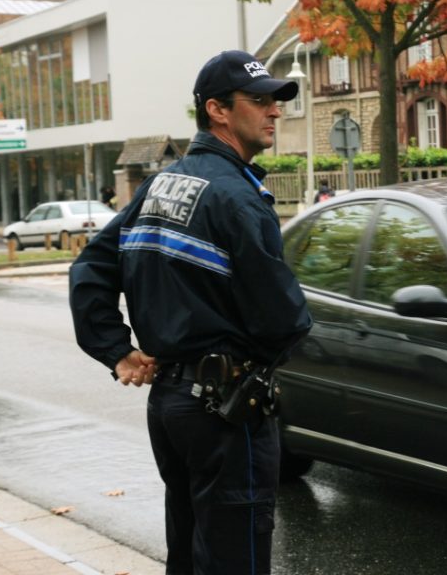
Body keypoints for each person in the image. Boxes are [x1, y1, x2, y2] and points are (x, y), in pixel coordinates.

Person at [69, 49, 311, 575]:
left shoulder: (160, 185)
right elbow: (285, 320)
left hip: (173, 406)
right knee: (235, 558)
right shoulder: (237, 199)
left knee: (190, 552)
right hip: (227, 410)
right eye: (259, 101)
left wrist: (118, 350)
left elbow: (90, 267)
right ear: (217, 110)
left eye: (277, 102)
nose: (274, 111)